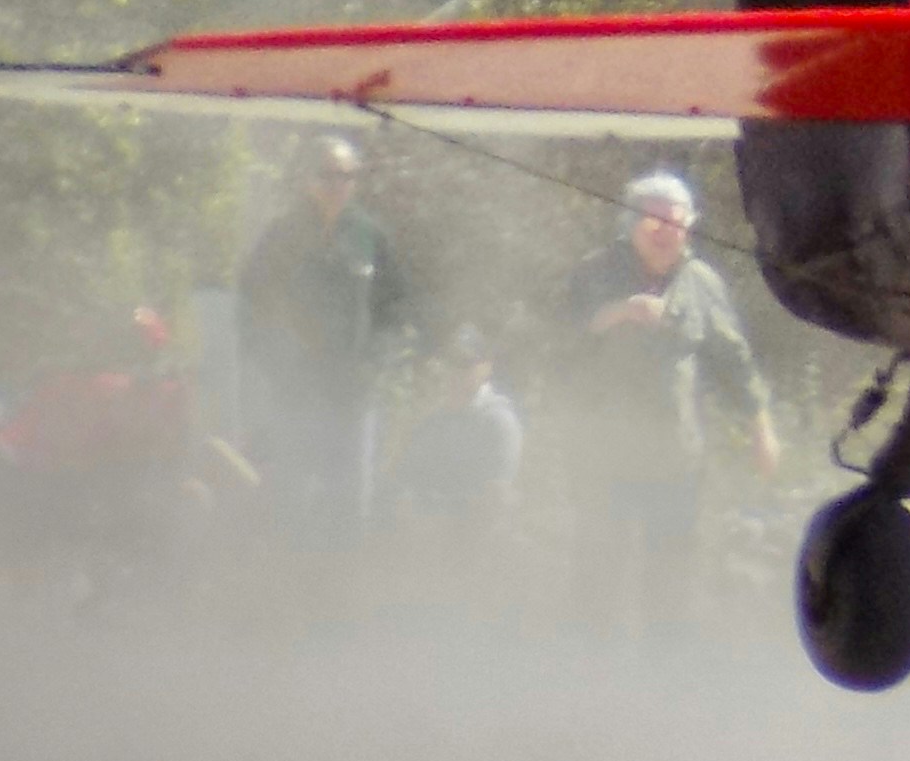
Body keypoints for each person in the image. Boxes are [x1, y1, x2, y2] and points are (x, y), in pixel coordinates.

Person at [552, 170, 776, 637]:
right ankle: (585, 671)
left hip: (675, 458)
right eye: (653, 223)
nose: (665, 234)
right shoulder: (595, 272)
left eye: (676, 223)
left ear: (690, 226)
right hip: (604, 455)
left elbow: (733, 361)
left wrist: (761, 429)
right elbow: (557, 344)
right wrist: (615, 314)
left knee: (671, 572)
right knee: (598, 569)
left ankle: (664, 676)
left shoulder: (701, 282)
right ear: (629, 224)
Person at [234, 136, 410, 552]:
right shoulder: (281, 236)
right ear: (306, 179)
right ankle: (289, 595)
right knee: (291, 499)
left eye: (347, 176)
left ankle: (342, 596)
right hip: (297, 395)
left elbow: (397, 307)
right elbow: (251, 307)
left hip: (353, 396)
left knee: (351, 504)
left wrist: (376, 362)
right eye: (328, 175)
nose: (338, 185)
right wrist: (278, 366)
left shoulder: (370, 237)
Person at [387, 320, 525, 559]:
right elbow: (405, 477)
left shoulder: (498, 421)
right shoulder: (433, 422)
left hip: (477, 546)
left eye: (466, 363)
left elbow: (496, 497)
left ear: (486, 367)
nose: (457, 371)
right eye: (452, 362)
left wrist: (433, 516)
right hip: (427, 538)